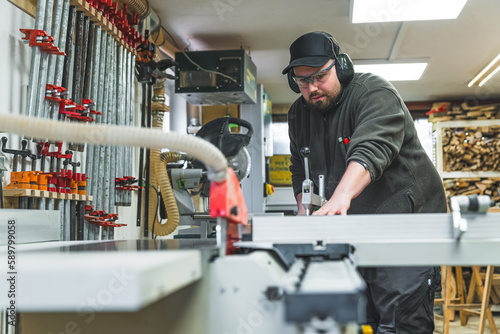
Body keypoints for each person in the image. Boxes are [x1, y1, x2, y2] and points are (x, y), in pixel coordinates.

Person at [283, 31, 447, 333]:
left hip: (405, 231)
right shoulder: (298, 114)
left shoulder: (373, 94)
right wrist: (303, 211)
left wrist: (340, 198)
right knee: (358, 322)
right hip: (354, 235)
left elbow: (372, 149)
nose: (312, 87)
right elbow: (298, 166)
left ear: (342, 66)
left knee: (400, 323)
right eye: (302, 81)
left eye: (320, 76)